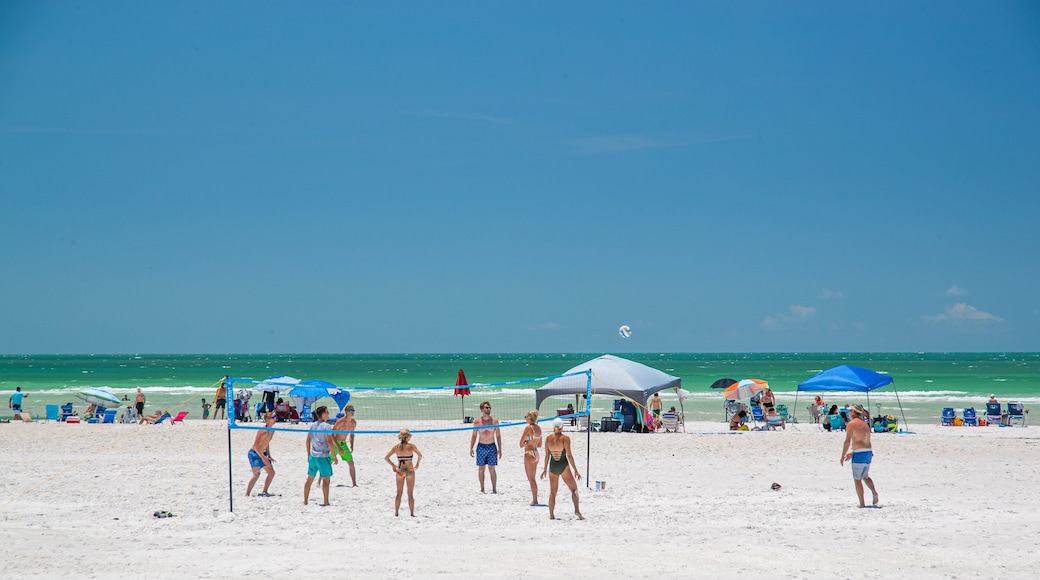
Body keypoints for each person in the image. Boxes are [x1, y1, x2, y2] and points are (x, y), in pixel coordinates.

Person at [541, 418, 584, 521]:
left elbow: (547, 456)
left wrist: (545, 469)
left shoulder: (548, 439)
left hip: (553, 466)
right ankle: (577, 510)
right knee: (574, 489)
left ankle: (551, 515)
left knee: (553, 492)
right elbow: (569, 455)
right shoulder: (565, 438)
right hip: (563, 465)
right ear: (562, 427)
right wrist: (576, 470)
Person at [841, 404, 880, 508]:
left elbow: (847, 441)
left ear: (853, 413)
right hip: (868, 452)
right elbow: (863, 442)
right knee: (865, 476)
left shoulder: (851, 424)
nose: (849, 413)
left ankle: (862, 503)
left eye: (850, 411)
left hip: (860, 454)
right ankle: (874, 492)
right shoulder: (865, 425)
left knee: (857, 479)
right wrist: (853, 452)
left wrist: (843, 455)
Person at [304, 406, 338, 506]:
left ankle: (305, 501)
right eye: (327, 412)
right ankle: (326, 502)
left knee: (309, 480)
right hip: (323, 457)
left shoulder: (313, 425)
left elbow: (307, 441)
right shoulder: (326, 426)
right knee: (326, 480)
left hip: (313, 457)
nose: (328, 413)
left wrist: (308, 454)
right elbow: (329, 442)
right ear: (322, 414)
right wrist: (334, 456)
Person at [384, 429, 423, 517]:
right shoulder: (411, 446)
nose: (411, 436)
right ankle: (412, 513)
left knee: (399, 493)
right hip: (409, 470)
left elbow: (386, 458)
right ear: (407, 437)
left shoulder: (396, 447)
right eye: (410, 435)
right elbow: (420, 455)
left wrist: (393, 465)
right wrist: (417, 464)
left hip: (400, 471)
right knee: (410, 493)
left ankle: (397, 512)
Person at [469, 400, 503, 493]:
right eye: (486, 408)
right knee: (481, 468)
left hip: (492, 446)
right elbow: (474, 435)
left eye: (489, 407)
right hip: (481, 446)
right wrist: (471, 447)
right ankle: (482, 488)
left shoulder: (495, 421)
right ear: (482, 409)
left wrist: (500, 449)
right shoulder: (477, 421)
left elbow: (498, 435)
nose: (488, 409)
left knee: (492, 468)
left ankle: (494, 489)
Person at [246, 413, 277, 496]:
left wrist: (269, 455)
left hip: (263, 453)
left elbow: (267, 443)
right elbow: (256, 446)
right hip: (254, 453)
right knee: (257, 474)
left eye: (275, 417)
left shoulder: (272, 431)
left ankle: (265, 491)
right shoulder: (263, 431)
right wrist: (263, 457)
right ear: (267, 420)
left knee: (271, 473)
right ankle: (247, 494)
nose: (274, 419)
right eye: (272, 417)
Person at [519, 410, 543, 506]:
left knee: (531, 479)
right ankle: (535, 499)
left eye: (526, 416)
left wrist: (526, 441)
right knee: (533, 478)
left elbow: (520, 444)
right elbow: (540, 444)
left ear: (529, 418)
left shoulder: (528, 428)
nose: (525, 418)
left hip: (529, 453)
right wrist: (530, 440)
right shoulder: (539, 428)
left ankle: (535, 500)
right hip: (536, 453)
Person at [330, 405, 357, 487]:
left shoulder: (353, 423)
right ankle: (319, 482)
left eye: (353, 411)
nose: (352, 413)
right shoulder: (340, 422)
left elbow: (352, 434)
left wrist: (352, 445)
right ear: (346, 412)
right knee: (328, 462)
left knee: (351, 463)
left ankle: (354, 483)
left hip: (343, 444)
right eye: (351, 411)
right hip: (335, 443)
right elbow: (332, 434)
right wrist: (337, 446)